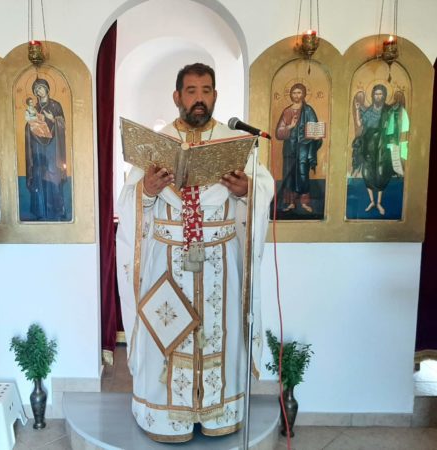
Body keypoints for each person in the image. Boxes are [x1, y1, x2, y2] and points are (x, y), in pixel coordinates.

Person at [116, 63, 274, 442]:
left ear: (215, 96)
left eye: (206, 90)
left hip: (221, 261)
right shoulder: (157, 144)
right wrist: (148, 190)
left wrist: (246, 191)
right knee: (166, 335)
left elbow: (262, 188)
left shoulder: (235, 142)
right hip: (167, 263)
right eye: (191, 91)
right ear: (177, 97)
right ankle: (167, 416)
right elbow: (130, 203)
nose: (199, 98)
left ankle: (219, 412)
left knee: (221, 331)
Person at [275, 83, 323, 213]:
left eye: (299, 93)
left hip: (304, 149)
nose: (296, 95)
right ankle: (290, 203)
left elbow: (315, 129)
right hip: (289, 149)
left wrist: (316, 137)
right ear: (291, 94)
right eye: (294, 93)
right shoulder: (287, 111)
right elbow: (278, 133)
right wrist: (290, 126)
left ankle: (305, 202)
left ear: (303, 94)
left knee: (303, 175)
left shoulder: (309, 110)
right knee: (289, 175)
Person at [24, 78, 68, 221]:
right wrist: (31, 124)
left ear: (47, 89)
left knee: (53, 175)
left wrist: (53, 119)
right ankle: (40, 211)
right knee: (39, 175)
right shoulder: (34, 108)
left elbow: (62, 125)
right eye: (37, 90)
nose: (39, 91)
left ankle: (57, 210)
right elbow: (28, 126)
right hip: (38, 147)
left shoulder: (55, 105)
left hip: (52, 147)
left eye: (41, 88)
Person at [351, 84, 395, 215]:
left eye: (381, 94)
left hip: (382, 146)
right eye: (376, 94)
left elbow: (393, 127)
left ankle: (379, 203)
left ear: (384, 96)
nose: (378, 96)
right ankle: (371, 201)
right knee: (367, 173)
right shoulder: (369, 111)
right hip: (368, 146)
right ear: (373, 96)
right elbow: (360, 124)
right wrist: (357, 109)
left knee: (381, 173)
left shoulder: (388, 110)